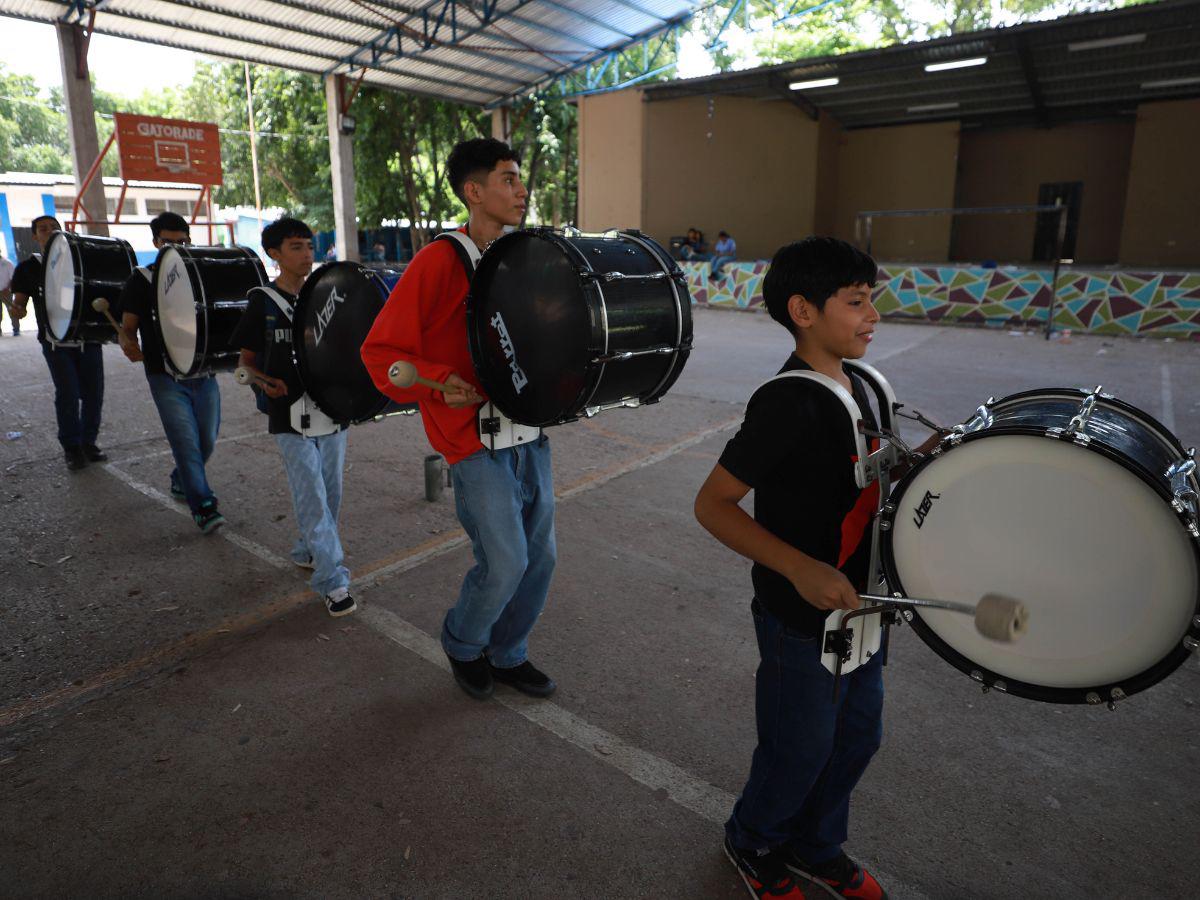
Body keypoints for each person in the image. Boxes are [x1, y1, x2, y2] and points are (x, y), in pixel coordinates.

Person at [694, 237, 889, 900]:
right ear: (804, 310)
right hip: (798, 619)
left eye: (873, 300)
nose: (872, 315)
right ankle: (752, 840)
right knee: (798, 746)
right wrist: (799, 568)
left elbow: (868, 480)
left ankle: (814, 843)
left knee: (857, 737)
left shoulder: (865, 385)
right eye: (856, 301)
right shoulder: (785, 403)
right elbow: (713, 505)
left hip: (864, 609)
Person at [361, 137, 557, 702]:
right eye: (508, 179)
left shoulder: (528, 255)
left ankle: (509, 652)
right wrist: (433, 381)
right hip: (470, 439)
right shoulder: (437, 261)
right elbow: (380, 353)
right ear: (474, 192)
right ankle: (464, 642)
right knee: (505, 560)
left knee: (540, 558)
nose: (521, 190)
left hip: (529, 430)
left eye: (520, 179)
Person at [230, 217, 356, 617]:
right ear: (275, 253)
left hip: (331, 412)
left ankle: (307, 549)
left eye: (309, 246)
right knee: (313, 497)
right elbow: (245, 365)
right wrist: (263, 382)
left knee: (330, 494)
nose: (306, 254)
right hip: (289, 417)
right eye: (296, 247)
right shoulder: (262, 302)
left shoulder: (328, 295)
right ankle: (333, 581)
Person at [117, 212, 224, 534]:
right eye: (168, 242)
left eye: (182, 241)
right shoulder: (142, 279)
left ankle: (181, 479)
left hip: (203, 372)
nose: (176, 247)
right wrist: (127, 342)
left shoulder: (200, 276)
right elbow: (127, 328)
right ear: (155, 242)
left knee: (206, 440)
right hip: (164, 375)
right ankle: (203, 505)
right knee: (185, 442)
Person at [11, 216, 107, 471]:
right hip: (54, 341)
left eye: (54, 227)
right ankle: (72, 447)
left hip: (87, 336)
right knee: (68, 393)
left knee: (93, 393)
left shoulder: (79, 262)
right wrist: (17, 310)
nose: (50, 231)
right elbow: (19, 302)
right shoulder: (28, 268)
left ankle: (89, 442)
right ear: (35, 236)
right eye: (43, 229)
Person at [0, 251, 17, 336]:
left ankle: (16, 329)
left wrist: (7, 288)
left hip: (6, 291)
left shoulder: (7, 263)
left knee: (11, 310)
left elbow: (13, 277)